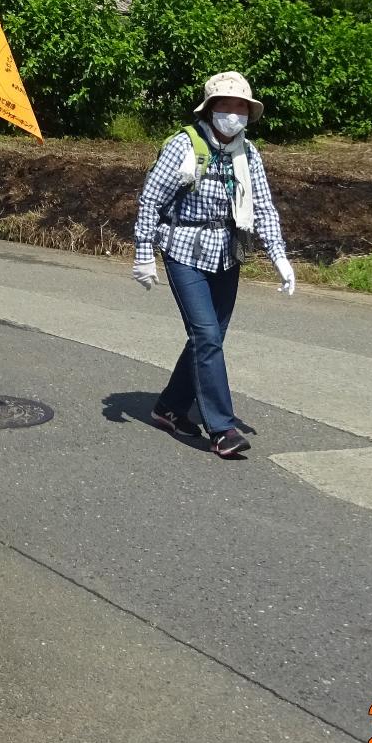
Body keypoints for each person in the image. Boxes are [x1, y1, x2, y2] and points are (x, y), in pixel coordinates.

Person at [131, 72, 295, 460]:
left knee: (211, 338)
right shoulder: (182, 146)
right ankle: (222, 427)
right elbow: (150, 200)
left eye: (241, 107)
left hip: (227, 251)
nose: (233, 114)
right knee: (206, 335)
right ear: (210, 109)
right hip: (184, 246)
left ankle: (169, 407)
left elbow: (263, 206)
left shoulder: (248, 153)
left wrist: (280, 257)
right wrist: (143, 253)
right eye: (226, 105)